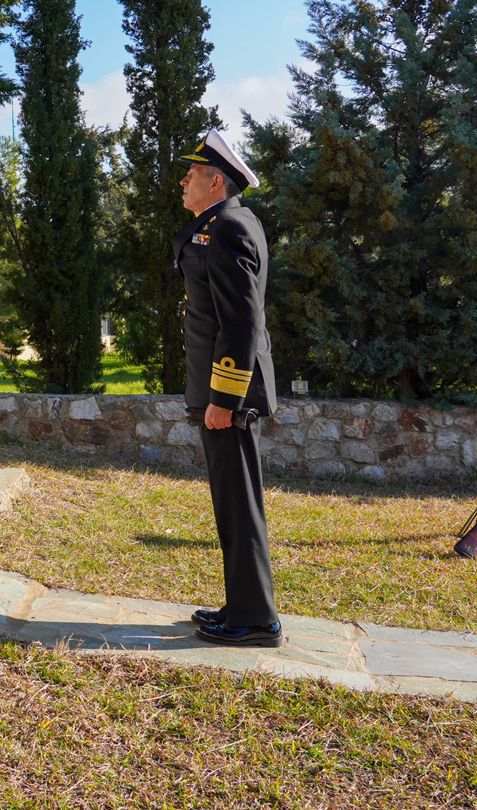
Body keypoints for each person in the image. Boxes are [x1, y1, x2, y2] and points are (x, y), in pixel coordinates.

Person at [173, 128, 282, 647]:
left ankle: (256, 622)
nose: (183, 181)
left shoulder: (229, 228)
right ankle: (243, 606)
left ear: (216, 181)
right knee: (233, 504)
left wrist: (224, 399)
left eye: (191, 175)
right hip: (222, 391)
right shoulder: (224, 223)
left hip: (229, 396)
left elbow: (241, 323)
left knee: (239, 506)